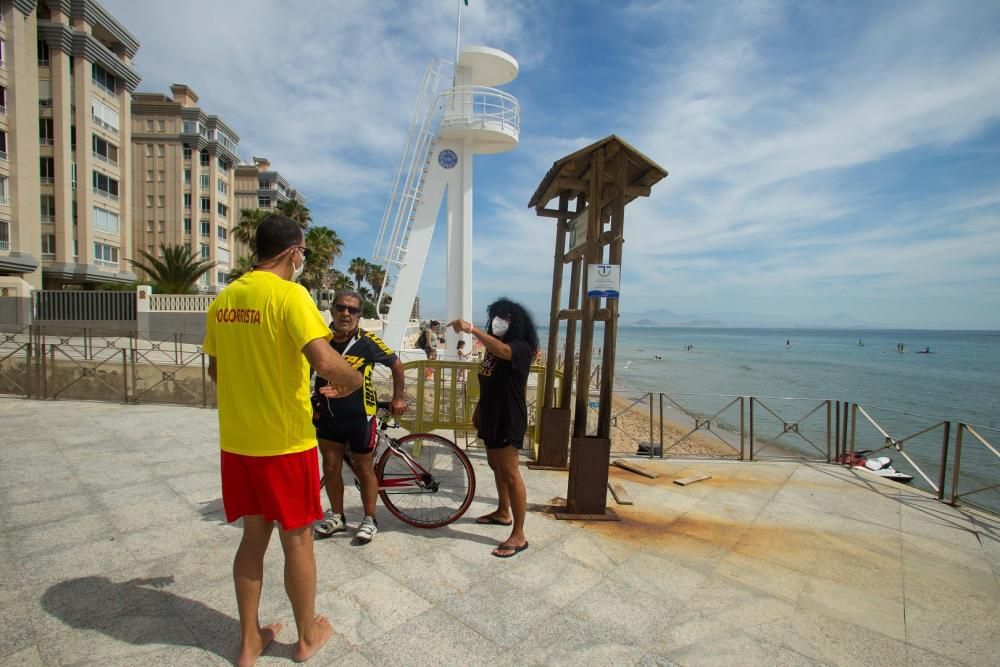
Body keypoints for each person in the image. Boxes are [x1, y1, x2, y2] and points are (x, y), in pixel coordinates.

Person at [204, 214, 363, 666]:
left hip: (238, 443)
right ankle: (307, 638)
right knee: (298, 543)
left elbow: (217, 370)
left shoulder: (225, 298)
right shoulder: (291, 295)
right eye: (304, 253)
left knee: (253, 541)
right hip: (285, 444)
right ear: (294, 252)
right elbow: (326, 363)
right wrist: (353, 381)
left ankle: (250, 642)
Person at [312, 289, 407, 544]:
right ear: (332, 310)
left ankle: (369, 518)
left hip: (360, 416)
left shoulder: (368, 342)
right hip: (328, 414)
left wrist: (399, 397)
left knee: (365, 469)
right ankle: (338, 516)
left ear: (359, 315)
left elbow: (397, 366)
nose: (346, 313)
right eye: (341, 307)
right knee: (330, 467)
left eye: (352, 310)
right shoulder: (319, 340)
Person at [448, 297, 538, 558]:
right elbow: (489, 379)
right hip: (489, 413)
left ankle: (519, 535)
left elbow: (504, 353)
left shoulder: (521, 347)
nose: (500, 320)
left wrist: (473, 330)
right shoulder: (492, 348)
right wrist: (479, 408)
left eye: (506, 316)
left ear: (516, 321)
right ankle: (502, 511)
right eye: (497, 315)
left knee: (511, 473)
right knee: (495, 465)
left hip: (508, 417)